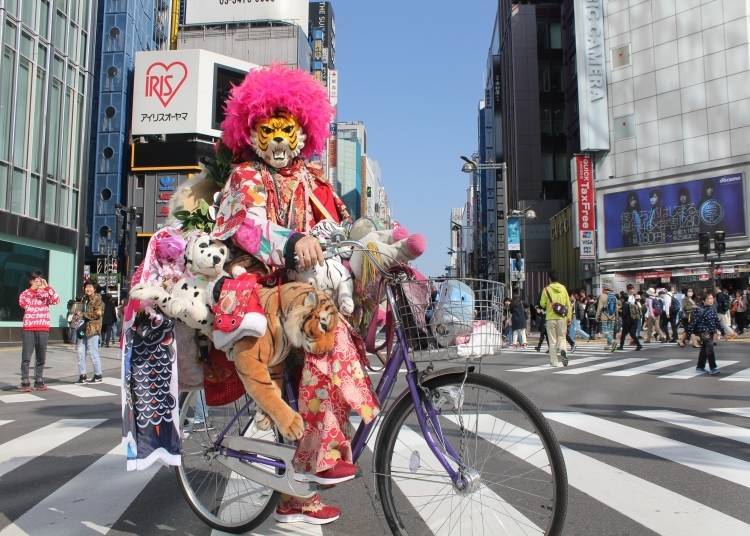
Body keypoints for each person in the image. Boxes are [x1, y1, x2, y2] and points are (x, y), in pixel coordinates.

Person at [212, 65, 380, 524]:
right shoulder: (246, 175)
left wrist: (379, 243)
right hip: (261, 287)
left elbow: (344, 223)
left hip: (301, 289)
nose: (280, 141)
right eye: (269, 130)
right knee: (326, 336)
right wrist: (289, 241)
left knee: (330, 348)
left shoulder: (311, 178)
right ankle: (321, 451)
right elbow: (245, 225)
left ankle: (298, 492)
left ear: (304, 130)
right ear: (251, 130)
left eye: (288, 130)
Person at [18, 272, 60, 391]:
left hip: (43, 328)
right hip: (29, 328)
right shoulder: (25, 293)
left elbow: (56, 300)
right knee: (26, 356)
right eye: (35, 280)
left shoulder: (45, 293)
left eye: (40, 279)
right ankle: (25, 380)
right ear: (30, 281)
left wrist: (47, 287)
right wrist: (32, 290)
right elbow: (22, 303)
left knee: (41, 356)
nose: (38, 281)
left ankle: (39, 379)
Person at [538, 272, 572, 367]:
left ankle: (554, 362)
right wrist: (569, 317)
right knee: (562, 337)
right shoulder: (563, 288)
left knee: (552, 340)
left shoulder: (546, 289)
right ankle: (562, 349)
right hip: (562, 318)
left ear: (549, 279)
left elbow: (542, 304)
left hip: (550, 318)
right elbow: (568, 304)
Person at [74, 281, 103, 383]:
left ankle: (98, 374)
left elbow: (98, 314)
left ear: (94, 289)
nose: (88, 289)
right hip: (82, 327)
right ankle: (82, 375)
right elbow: (80, 311)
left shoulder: (98, 299)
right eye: (86, 287)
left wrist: (83, 314)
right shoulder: (84, 299)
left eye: (90, 287)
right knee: (80, 351)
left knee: (93, 351)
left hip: (93, 329)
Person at [691, 292, 724, 374]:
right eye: (709, 298)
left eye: (712, 298)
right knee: (710, 349)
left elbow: (717, 321)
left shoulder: (712, 309)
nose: (711, 300)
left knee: (704, 350)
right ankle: (713, 368)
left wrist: (722, 331)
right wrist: (689, 334)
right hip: (704, 332)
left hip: (711, 332)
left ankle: (700, 366)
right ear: (704, 300)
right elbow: (693, 322)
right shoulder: (699, 310)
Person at [596, 284, 620, 352]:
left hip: (604, 316)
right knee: (610, 332)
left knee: (605, 332)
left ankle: (612, 342)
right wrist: (617, 317)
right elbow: (616, 308)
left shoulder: (602, 296)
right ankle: (608, 345)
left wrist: (597, 316)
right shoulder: (614, 297)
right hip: (612, 316)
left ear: (603, 289)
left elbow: (599, 307)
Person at [618, 284, 643, 351]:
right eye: (630, 289)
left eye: (632, 289)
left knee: (627, 333)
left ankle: (621, 346)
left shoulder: (634, 297)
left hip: (631, 318)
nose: (632, 290)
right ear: (627, 289)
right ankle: (638, 345)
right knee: (630, 333)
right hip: (631, 318)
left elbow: (638, 307)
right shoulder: (626, 296)